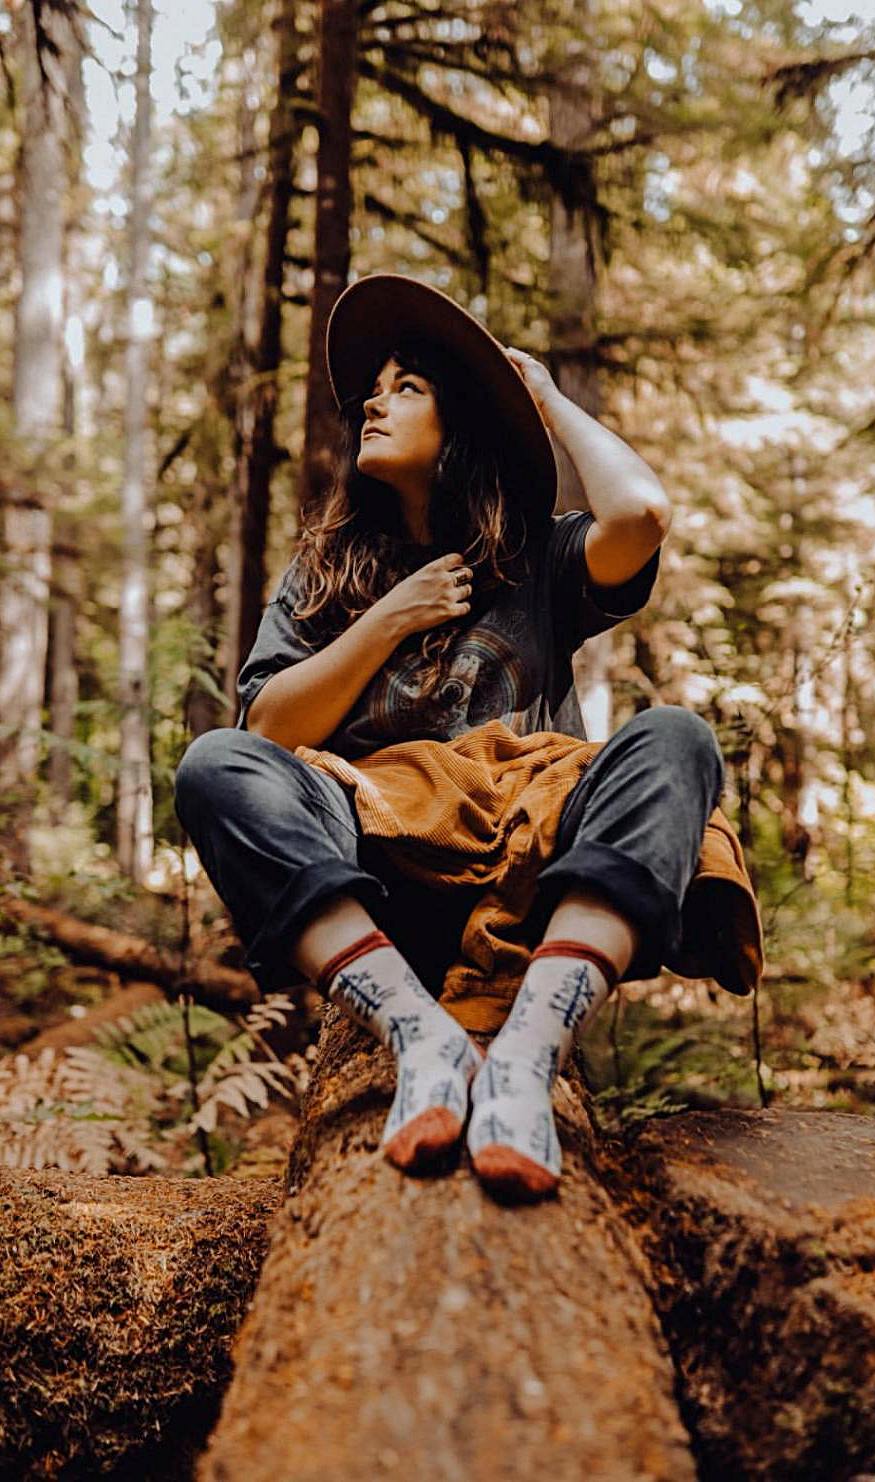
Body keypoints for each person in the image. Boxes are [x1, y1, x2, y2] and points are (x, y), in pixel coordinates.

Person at [174, 272, 727, 1201]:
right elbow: (264, 731)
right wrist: (389, 617)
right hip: (378, 869)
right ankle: (416, 1033)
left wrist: (547, 401)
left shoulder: (538, 559)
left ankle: (526, 1053)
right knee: (211, 766)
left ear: (458, 424)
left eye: (407, 387)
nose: (373, 405)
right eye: (372, 391)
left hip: (530, 870)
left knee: (677, 739)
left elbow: (641, 515)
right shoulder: (324, 575)